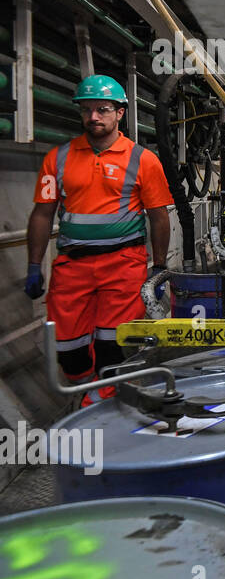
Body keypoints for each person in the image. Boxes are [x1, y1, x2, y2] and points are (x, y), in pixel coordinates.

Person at [24, 75, 174, 406]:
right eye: (87, 110)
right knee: (68, 347)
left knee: (113, 343)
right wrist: (34, 265)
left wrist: (159, 267)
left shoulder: (143, 160)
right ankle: (85, 391)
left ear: (120, 112)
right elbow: (42, 214)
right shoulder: (58, 159)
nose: (94, 117)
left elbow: (159, 216)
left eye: (103, 109)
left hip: (123, 264)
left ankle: (103, 407)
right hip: (71, 266)